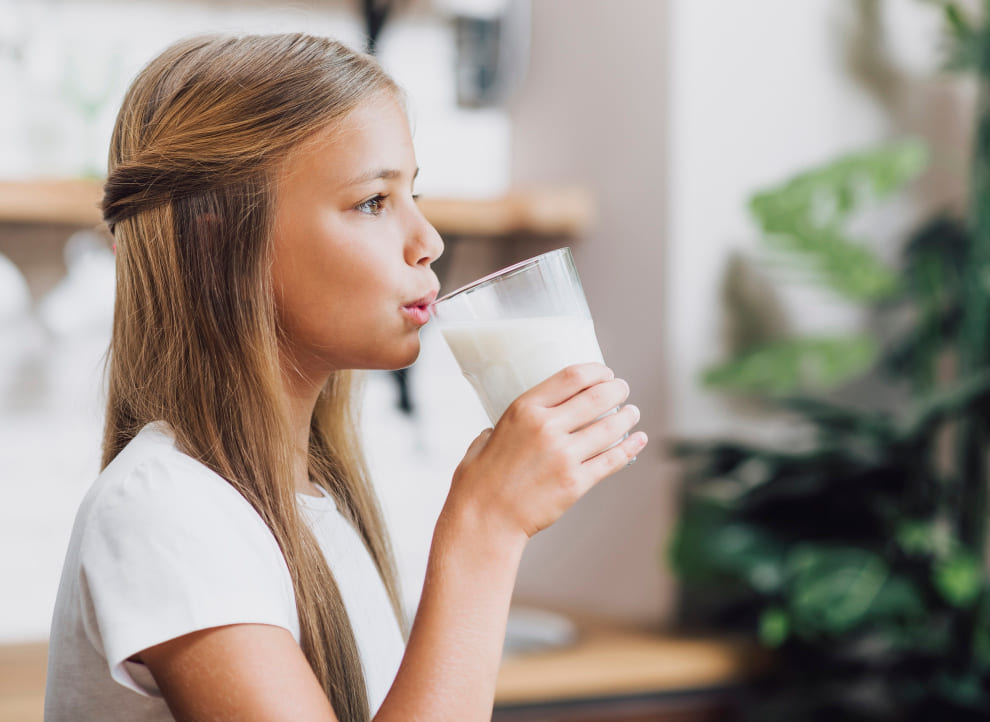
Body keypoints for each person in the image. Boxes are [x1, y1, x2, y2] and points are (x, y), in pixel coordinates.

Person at [44, 33, 647, 722]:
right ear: (215, 240)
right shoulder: (166, 511)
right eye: (372, 202)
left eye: (411, 193)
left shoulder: (312, 502)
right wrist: (486, 530)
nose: (430, 241)